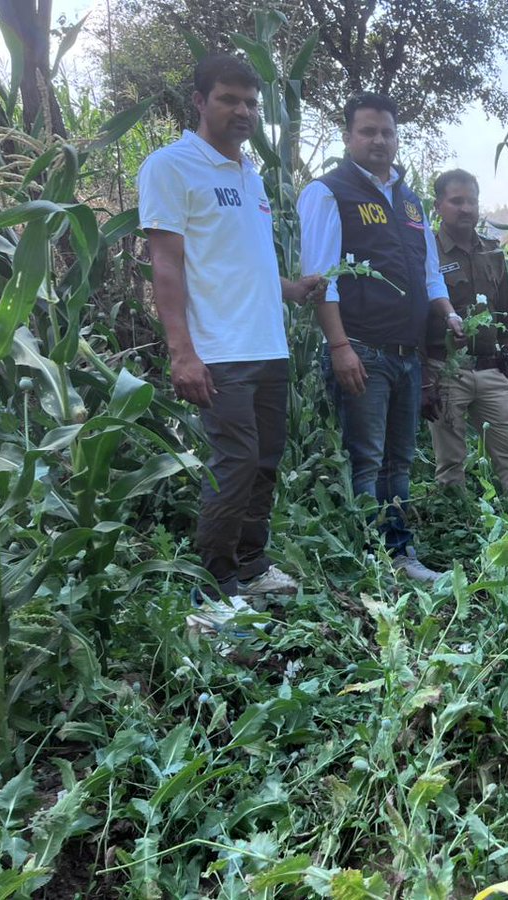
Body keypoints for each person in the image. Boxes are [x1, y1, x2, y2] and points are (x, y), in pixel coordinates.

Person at [138, 54, 325, 632]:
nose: (242, 111)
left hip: (267, 343)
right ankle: (212, 588)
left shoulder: (251, 175)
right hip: (219, 349)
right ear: (200, 101)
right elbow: (166, 265)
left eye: (250, 102)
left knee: (265, 460)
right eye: (229, 99)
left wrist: (293, 289)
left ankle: (251, 564)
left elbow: (245, 261)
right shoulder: (172, 167)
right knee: (235, 462)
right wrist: (182, 352)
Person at [297, 92, 463, 584]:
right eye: (368, 131)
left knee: (399, 462)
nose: (379, 140)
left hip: (407, 353)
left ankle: (399, 554)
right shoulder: (328, 193)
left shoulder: (409, 201)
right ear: (347, 137)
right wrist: (340, 347)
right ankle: (369, 560)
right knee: (366, 461)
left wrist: (449, 313)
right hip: (362, 350)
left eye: (387, 132)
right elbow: (321, 278)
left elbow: (429, 273)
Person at [423, 169, 508, 497]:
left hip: (490, 370)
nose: (466, 208)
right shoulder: (427, 253)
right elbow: (413, 317)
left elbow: (506, 317)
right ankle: (457, 520)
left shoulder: (492, 252)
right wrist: (425, 379)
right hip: (446, 371)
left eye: (472, 201)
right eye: (456, 201)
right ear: (438, 205)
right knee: (450, 463)